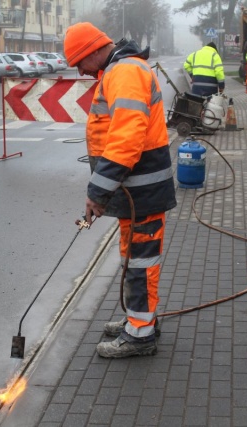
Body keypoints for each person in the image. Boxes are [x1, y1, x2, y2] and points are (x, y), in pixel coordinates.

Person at [63, 22, 177, 359]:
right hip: (135, 191)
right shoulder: (117, 70)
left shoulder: (125, 72)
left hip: (142, 191)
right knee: (133, 259)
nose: (80, 71)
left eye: (79, 62)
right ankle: (139, 320)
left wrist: (97, 192)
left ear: (93, 50)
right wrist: (104, 191)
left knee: (140, 263)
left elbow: (126, 139)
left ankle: (140, 335)